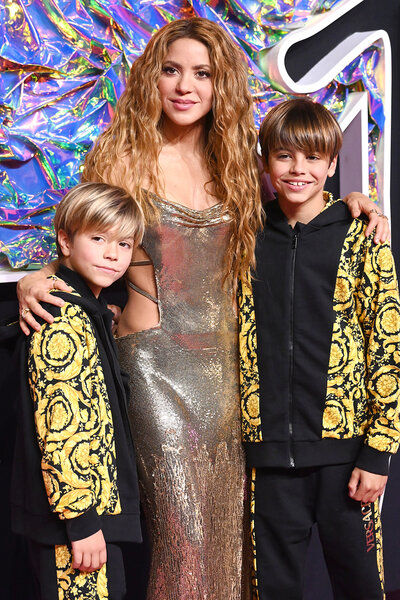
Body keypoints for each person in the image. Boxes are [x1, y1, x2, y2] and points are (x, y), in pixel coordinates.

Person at [15, 18, 390, 600]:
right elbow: (82, 238)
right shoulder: (123, 154)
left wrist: (356, 200)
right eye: (171, 70)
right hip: (156, 374)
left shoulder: (239, 158)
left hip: (240, 376)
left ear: (221, 85)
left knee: (238, 542)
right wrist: (35, 277)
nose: (185, 86)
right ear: (151, 78)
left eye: (202, 73)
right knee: (183, 540)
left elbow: (297, 206)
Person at [238, 98, 400, 599]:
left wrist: (379, 453)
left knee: (358, 587)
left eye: (312, 158)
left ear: (332, 163)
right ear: (266, 162)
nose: (298, 169)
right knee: (273, 590)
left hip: (346, 457)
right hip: (266, 460)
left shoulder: (363, 237)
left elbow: (388, 348)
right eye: (285, 156)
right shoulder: (245, 237)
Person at [11, 182, 144, 600]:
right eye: (98, 239)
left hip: (94, 517)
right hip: (77, 524)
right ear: (65, 241)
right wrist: (81, 521)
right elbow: (59, 427)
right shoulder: (61, 317)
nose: (112, 254)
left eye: (124, 244)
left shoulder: (88, 312)